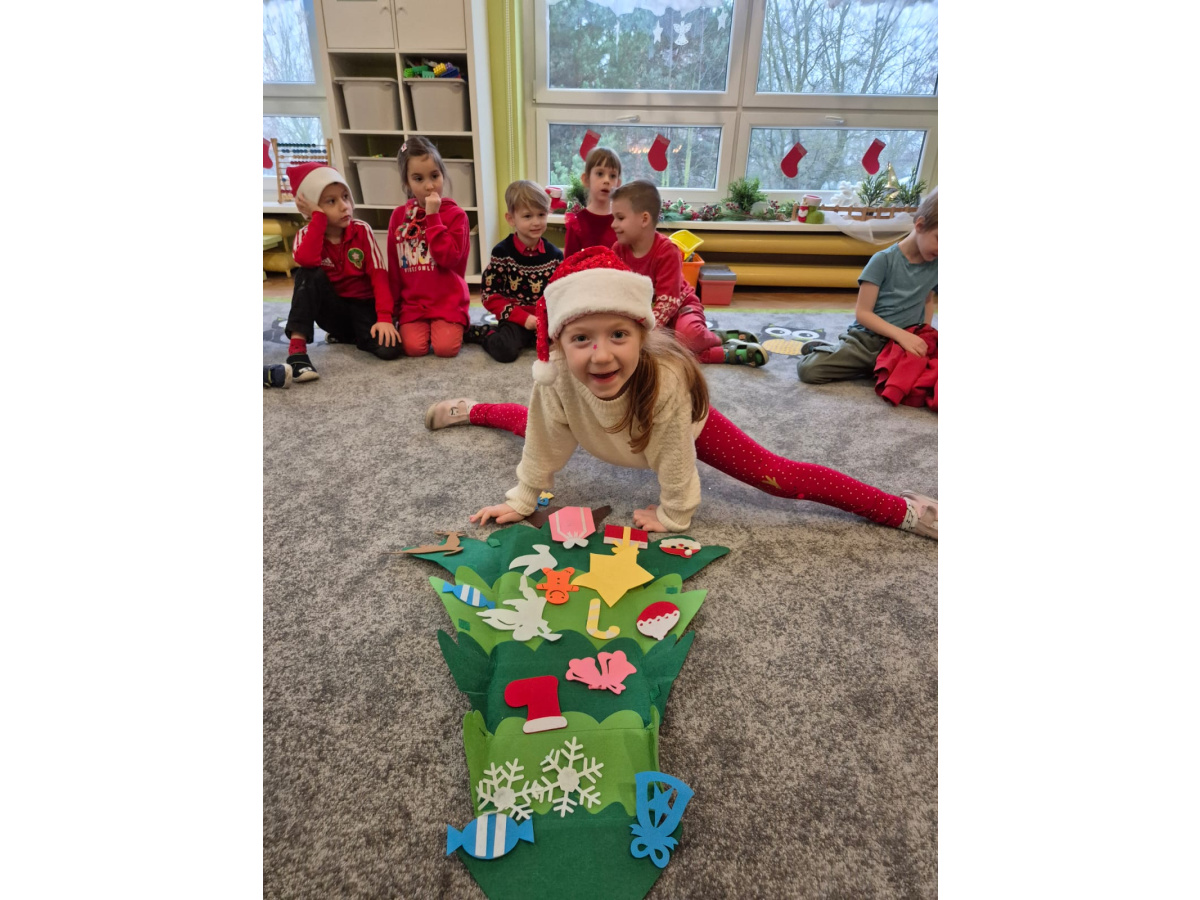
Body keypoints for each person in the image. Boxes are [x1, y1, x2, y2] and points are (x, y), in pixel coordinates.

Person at [424, 247, 938, 539]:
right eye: (582, 339)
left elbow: (673, 458)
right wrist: (523, 498)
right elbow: (541, 440)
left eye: (618, 335)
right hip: (592, 424)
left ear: (641, 335)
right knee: (527, 420)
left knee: (777, 476)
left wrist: (674, 515)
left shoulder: (665, 383)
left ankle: (904, 511)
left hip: (680, 429)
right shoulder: (556, 375)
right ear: (558, 343)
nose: (601, 355)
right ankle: (473, 409)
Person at [610, 180, 769, 367]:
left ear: (644, 219)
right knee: (657, 350)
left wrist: (645, 334)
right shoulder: (617, 250)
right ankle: (716, 345)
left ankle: (717, 343)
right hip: (650, 318)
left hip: (681, 308)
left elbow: (668, 303)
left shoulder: (667, 251)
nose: (613, 224)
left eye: (620, 218)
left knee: (687, 338)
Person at [797, 189, 938, 384]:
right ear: (920, 225)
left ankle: (870, 365)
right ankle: (831, 352)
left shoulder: (937, 264)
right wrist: (901, 336)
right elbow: (863, 313)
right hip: (868, 340)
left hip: (903, 344)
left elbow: (927, 299)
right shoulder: (883, 260)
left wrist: (923, 334)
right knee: (808, 370)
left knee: (923, 379)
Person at [279, 162, 402, 383]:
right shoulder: (305, 235)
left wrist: (384, 317)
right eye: (331, 201)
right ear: (312, 209)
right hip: (331, 310)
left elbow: (379, 275)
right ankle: (297, 352)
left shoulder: (362, 230)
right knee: (307, 273)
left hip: (363, 306)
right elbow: (307, 260)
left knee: (390, 350)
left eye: (346, 197)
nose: (345, 206)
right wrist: (318, 219)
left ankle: (350, 336)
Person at [387, 136, 471, 358]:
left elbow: (449, 259)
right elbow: (394, 267)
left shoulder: (456, 215)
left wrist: (433, 217)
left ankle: (458, 325)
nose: (429, 185)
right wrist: (391, 312)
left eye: (435, 176)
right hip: (413, 306)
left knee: (445, 349)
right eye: (418, 178)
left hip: (448, 302)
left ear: (443, 174)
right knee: (413, 348)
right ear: (407, 183)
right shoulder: (398, 217)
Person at [466, 180, 563, 363]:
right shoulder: (502, 253)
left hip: (544, 320)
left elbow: (560, 293)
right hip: (515, 318)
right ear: (511, 219)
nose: (536, 222)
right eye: (527, 216)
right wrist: (524, 318)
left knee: (568, 346)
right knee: (506, 351)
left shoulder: (555, 256)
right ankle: (486, 332)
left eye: (541, 215)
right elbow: (490, 295)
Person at [563, 147, 622, 257]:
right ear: (586, 179)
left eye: (612, 176)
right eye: (600, 174)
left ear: (618, 183)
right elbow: (569, 263)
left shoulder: (622, 221)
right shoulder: (577, 224)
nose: (606, 180)